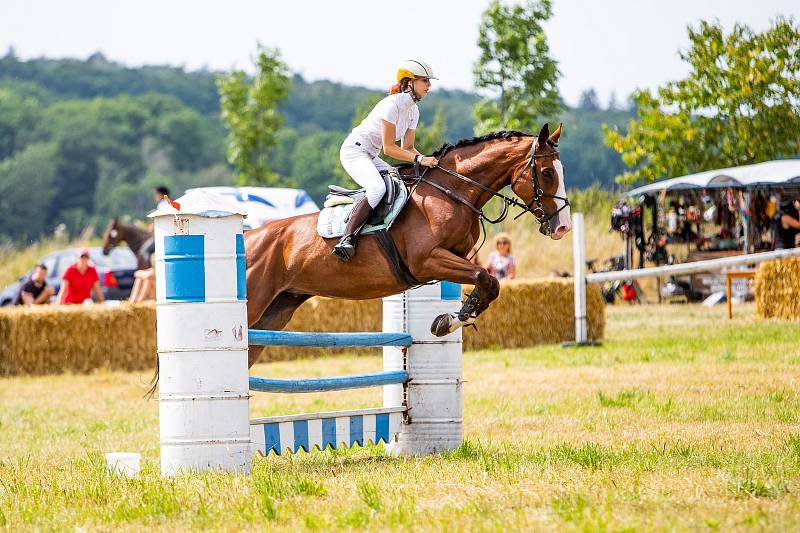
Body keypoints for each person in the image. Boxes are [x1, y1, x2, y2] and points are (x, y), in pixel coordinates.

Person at [333, 59, 440, 261]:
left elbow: (407, 148)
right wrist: (420, 159)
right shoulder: (392, 105)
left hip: (370, 155)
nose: (429, 86)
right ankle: (346, 239)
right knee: (377, 189)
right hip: (353, 152)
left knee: (401, 182)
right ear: (410, 83)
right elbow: (389, 148)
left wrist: (428, 161)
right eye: (425, 81)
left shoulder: (413, 111)